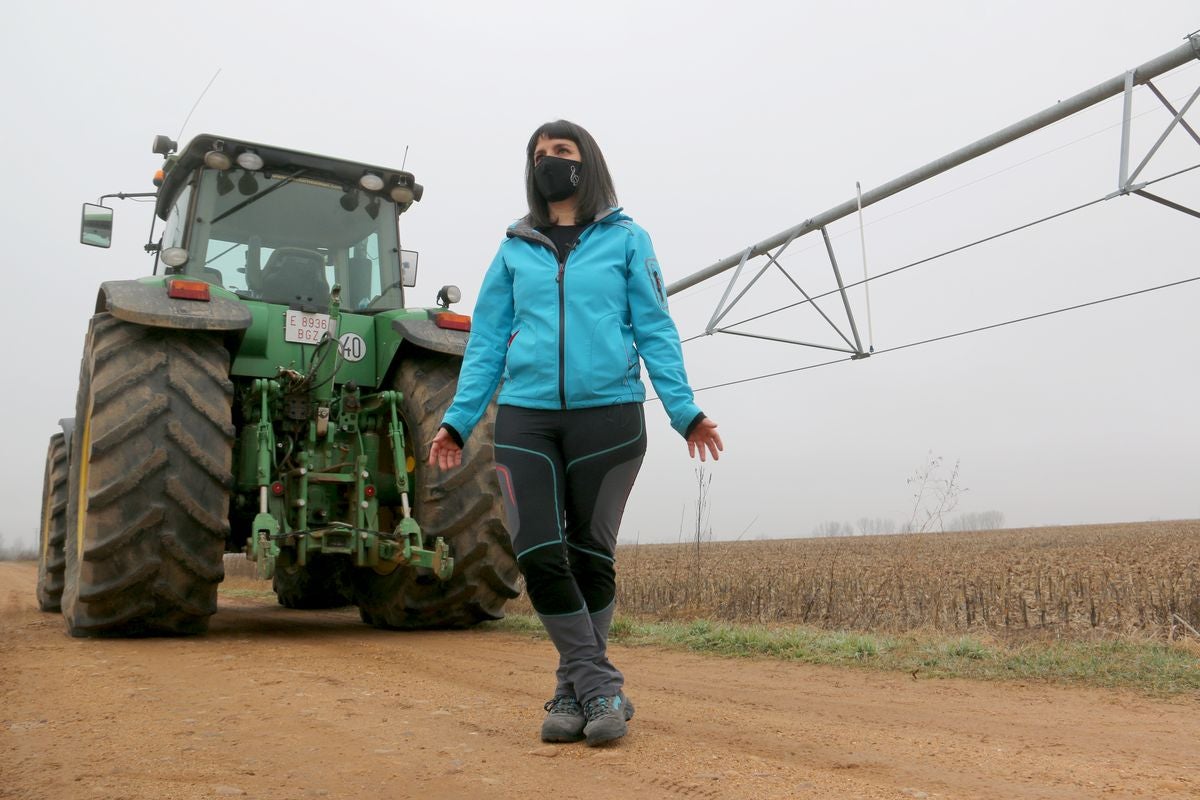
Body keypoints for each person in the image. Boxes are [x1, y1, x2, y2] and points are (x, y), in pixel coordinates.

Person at [427, 120, 723, 746]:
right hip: (526, 415)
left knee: (590, 555)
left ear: (587, 164)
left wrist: (684, 411)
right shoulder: (513, 249)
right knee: (537, 552)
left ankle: (571, 690)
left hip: (610, 416)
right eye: (539, 155)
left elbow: (656, 330)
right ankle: (600, 684)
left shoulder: (628, 241)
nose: (549, 162)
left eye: (561, 152)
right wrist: (457, 419)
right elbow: (484, 343)